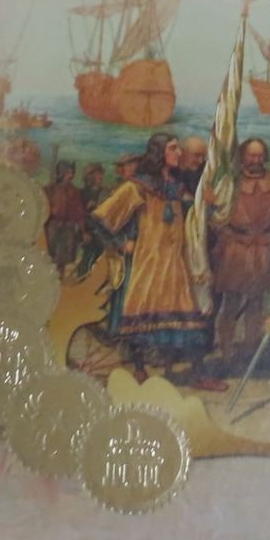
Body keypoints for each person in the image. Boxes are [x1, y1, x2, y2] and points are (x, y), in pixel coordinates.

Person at [88, 133, 207, 371]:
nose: (179, 153)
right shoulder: (137, 187)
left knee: (181, 316)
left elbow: (193, 215)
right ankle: (140, 371)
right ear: (159, 152)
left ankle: (174, 372)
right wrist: (120, 243)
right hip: (148, 263)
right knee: (141, 318)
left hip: (175, 265)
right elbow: (99, 219)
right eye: (173, 148)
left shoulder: (176, 186)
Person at [208, 137, 270, 360]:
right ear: (243, 156)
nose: (256, 160)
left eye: (259, 155)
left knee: (256, 302)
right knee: (231, 302)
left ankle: (250, 350)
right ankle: (227, 352)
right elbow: (215, 215)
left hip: (264, 249)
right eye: (251, 155)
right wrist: (227, 235)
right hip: (235, 249)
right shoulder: (229, 182)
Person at [44, 160, 87, 275]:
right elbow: (43, 207)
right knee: (48, 257)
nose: (71, 175)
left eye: (72, 172)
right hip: (52, 228)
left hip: (67, 230)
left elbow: (80, 213)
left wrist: (83, 231)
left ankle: (59, 281)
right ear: (62, 173)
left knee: (61, 261)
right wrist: (50, 211)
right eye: (68, 172)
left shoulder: (74, 192)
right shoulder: (50, 190)